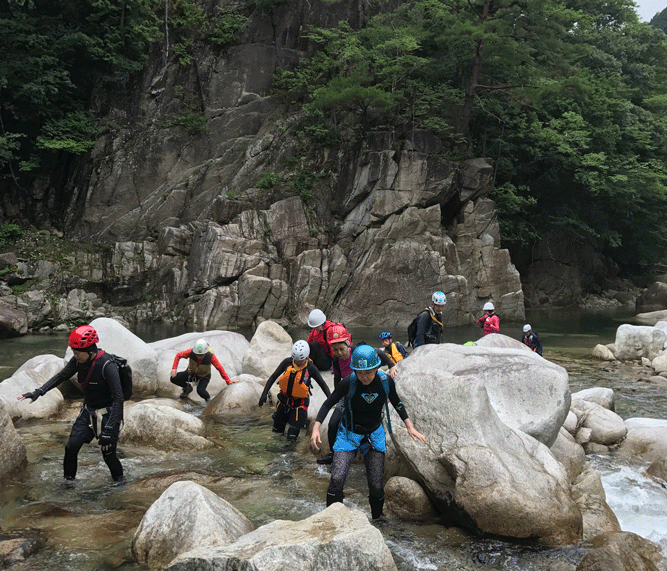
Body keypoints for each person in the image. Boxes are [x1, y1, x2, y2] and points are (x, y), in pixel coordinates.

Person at [310, 345, 427, 520]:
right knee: (337, 479)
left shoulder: (385, 382)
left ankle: (378, 518)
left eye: (369, 372)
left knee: (376, 485)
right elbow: (328, 403)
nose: (365, 377)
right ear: (354, 370)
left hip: (374, 434)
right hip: (349, 433)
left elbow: (397, 403)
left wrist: (410, 426)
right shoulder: (348, 382)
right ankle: (332, 520)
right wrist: (316, 427)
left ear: (376, 368)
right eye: (360, 372)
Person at [17, 324, 124, 483]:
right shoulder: (78, 361)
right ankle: (69, 484)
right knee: (71, 447)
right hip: (88, 411)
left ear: (90, 350)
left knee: (108, 454)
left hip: (108, 414)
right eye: (73, 351)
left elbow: (118, 399)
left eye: (77, 352)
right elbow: (61, 376)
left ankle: (120, 482)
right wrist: (39, 392)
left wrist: (108, 430)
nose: (74, 355)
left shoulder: (107, 365)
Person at [316, 324, 398, 465]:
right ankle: (333, 453)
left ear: (347, 343)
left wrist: (391, 365)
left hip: (364, 389)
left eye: (341, 349)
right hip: (347, 392)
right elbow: (337, 378)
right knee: (333, 423)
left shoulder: (358, 352)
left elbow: (377, 351)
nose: (339, 353)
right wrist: (338, 396)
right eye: (335, 350)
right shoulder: (336, 360)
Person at [258, 340, 331, 441]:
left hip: (299, 405)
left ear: (306, 357)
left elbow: (323, 384)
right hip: (283, 401)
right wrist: (264, 394)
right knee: (277, 433)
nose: (297, 362)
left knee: (291, 439)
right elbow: (273, 377)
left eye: (300, 361)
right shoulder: (287, 362)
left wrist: (330, 400)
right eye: (295, 360)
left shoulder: (311, 368)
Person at [170, 338, 236, 402]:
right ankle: (187, 388)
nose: (199, 356)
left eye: (201, 355)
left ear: (205, 352)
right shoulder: (190, 352)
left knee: (201, 391)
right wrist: (174, 368)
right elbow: (178, 355)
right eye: (197, 354)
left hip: (204, 377)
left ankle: (208, 400)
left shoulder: (211, 356)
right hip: (191, 373)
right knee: (173, 378)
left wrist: (228, 381)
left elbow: (220, 368)